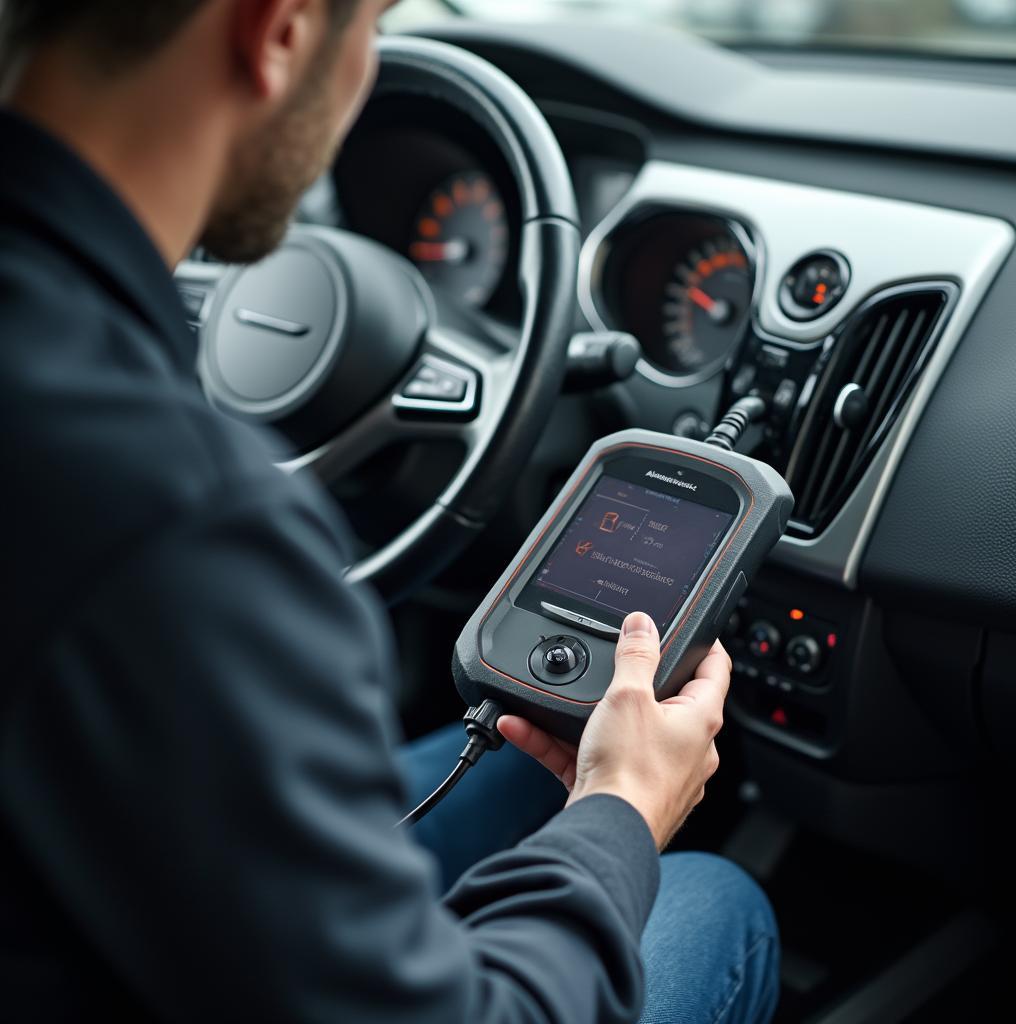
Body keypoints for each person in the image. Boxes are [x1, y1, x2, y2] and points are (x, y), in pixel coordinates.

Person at [0, 1, 779, 1021]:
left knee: (517, 771)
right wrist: (624, 811)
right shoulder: (182, 515)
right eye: (371, 23)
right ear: (275, 30)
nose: (367, 67)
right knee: (715, 900)